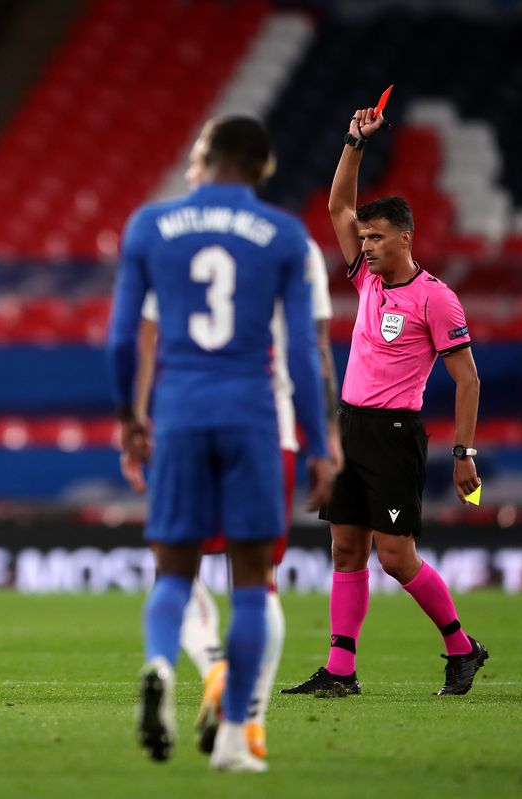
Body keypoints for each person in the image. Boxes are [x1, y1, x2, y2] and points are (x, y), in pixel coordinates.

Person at [107, 115, 333, 772]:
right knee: (253, 582)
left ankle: (158, 665)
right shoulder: (286, 235)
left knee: (174, 571)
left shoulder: (150, 225)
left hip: (178, 412)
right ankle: (237, 736)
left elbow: (125, 338)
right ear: (263, 167)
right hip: (254, 415)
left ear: (203, 159)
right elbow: (301, 346)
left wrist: (129, 414)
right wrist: (320, 442)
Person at [281, 104, 487, 698]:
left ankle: (461, 646)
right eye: (363, 237)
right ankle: (340, 671)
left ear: (406, 237)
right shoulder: (367, 279)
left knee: (396, 557)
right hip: (351, 427)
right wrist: (354, 140)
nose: (364, 244)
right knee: (345, 548)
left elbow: (468, 379)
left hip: (396, 434)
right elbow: (338, 206)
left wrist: (463, 451)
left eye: (376, 237)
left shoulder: (436, 299)